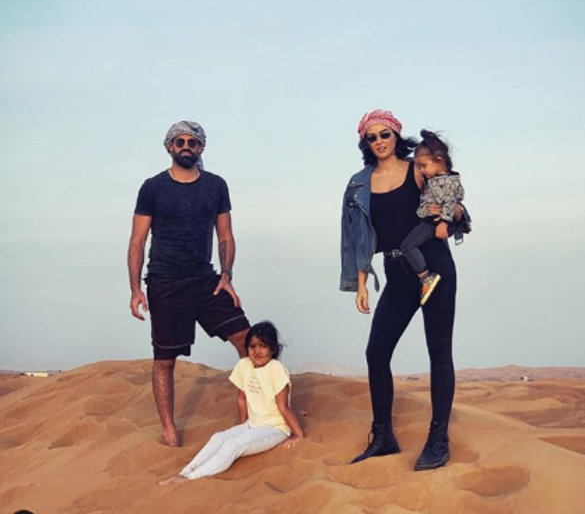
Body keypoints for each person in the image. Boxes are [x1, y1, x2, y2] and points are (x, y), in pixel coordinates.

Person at [340, 109, 459, 470]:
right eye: (371, 137)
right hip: (396, 271)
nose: (379, 141)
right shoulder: (358, 185)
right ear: (364, 142)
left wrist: (453, 212)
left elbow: (451, 197)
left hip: (433, 263)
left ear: (396, 135)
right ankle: (383, 437)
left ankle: (438, 439)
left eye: (385, 134)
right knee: (376, 352)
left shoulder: (417, 169)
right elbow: (354, 239)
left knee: (439, 351)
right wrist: (361, 283)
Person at [128, 120, 250, 447]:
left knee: (246, 338)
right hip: (165, 282)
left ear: (201, 147)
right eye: (180, 141)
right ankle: (169, 430)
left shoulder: (216, 186)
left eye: (192, 142)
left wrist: (226, 276)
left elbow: (225, 236)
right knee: (164, 360)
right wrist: (136, 289)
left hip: (206, 280)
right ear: (170, 146)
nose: (186, 146)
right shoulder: (152, 188)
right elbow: (137, 241)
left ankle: (255, 413)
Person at [159, 321, 304, 484]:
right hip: (252, 424)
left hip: (275, 428)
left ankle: (192, 478)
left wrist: (297, 434)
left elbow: (283, 406)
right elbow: (242, 399)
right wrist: (242, 427)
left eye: (263, 346)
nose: (257, 351)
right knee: (218, 438)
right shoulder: (244, 365)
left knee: (233, 445)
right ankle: (185, 472)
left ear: (273, 349)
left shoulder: (276, 369)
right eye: (253, 346)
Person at [400, 130, 465, 306]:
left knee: (407, 246)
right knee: (408, 245)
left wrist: (444, 222)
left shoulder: (448, 181)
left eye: (423, 166)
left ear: (439, 161)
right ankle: (425, 277)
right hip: (431, 221)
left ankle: (425, 277)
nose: (421, 170)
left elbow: (451, 201)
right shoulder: (436, 180)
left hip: (435, 223)